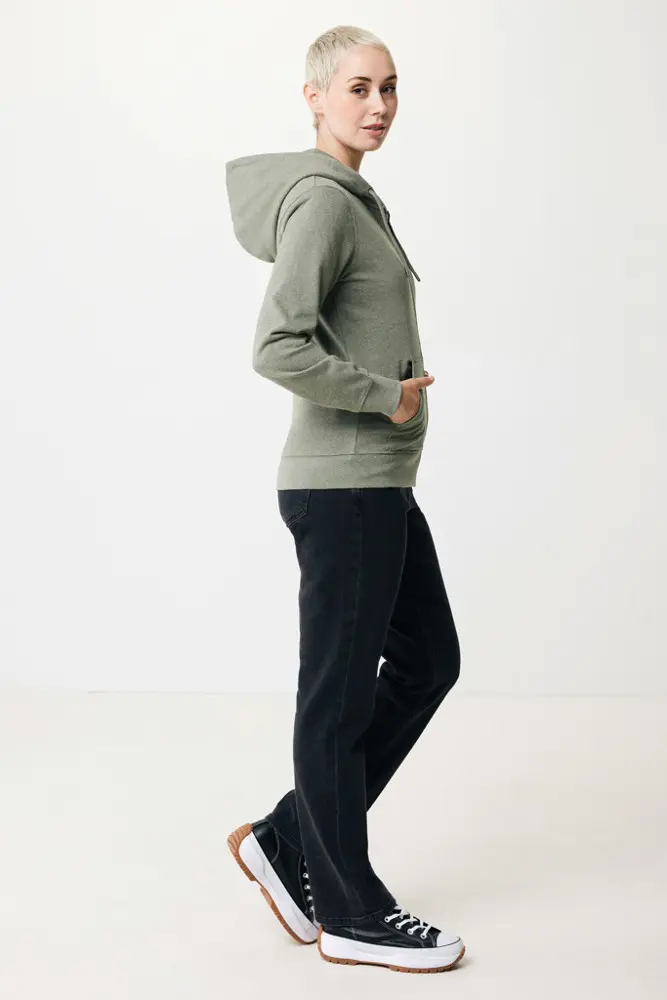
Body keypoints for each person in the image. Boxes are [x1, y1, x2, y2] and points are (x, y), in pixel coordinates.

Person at [224, 25, 465, 974]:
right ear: (314, 97)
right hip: (343, 485)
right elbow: (276, 345)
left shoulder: (353, 198)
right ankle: (350, 909)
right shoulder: (324, 203)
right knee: (336, 696)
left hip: (376, 486)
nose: (378, 105)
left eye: (390, 87)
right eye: (358, 87)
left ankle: (289, 840)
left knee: (428, 661)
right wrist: (384, 395)